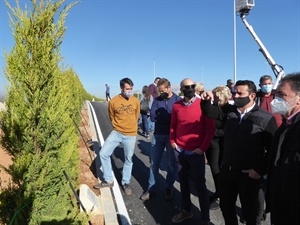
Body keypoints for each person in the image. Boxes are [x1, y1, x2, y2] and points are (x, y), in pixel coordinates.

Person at [201, 80, 277, 225]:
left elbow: (273, 149)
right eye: (234, 92)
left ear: (252, 96)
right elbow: (211, 112)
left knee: (250, 213)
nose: (235, 96)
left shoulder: (266, 118)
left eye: (240, 93)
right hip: (227, 171)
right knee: (226, 207)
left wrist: (259, 170)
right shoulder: (230, 112)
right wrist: (205, 102)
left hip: (249, 175)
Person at [170, 78, 215, 225]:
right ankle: (186, 211)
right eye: (186, 87)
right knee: (183, 183)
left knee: (200, 186)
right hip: (180, 150)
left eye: (192, 86)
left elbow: (211, 129)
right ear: (181, 89)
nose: (190, 89)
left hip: (196, 152)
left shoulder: (203, 104)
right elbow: (173, 125)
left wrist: (202, 149)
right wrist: (172, 141)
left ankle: (205, 218)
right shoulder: (176, 106)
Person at [93, 78, 140, 196]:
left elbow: (136, 115)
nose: (129, 91)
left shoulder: (135, 101)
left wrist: (131, 127)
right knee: (103, 153)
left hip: (131, 134)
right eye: (127, 89)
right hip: (117, 132)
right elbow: (111, 115)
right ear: (121, 88)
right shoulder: (113, 101)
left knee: (128, 159)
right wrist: (117, 126)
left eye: (131, 89)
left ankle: (125, 182)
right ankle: (108, 180)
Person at [140, 78, 182, 201]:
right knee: (154, 163)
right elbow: (153, 116)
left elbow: (178, 119)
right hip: (158, 135)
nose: (160, 93)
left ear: (169, 88)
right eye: (159, 90)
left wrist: (164, 116)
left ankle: (169, 187)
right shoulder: (157, 100)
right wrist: (169, 117)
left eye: (162, 90)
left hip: (171, 137)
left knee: (171, 165)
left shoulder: (178, 101)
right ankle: (151, 188)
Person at [266, 72, 300, 225]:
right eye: (276, 94)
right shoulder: (285, 125)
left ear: (298, 99)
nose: (276, 100)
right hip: (280, 203)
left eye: (282, 95)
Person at [206, 85, 232, 210]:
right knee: (214, 169)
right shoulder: (213, 108)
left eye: (217, 97)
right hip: (211, 144)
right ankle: (218, 192)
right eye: (214, 97)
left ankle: (222, 195)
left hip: (223, 144)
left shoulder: (230, 109)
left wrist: (211, 132)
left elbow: (227, 130)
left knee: (219, 170)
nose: (215, 99)